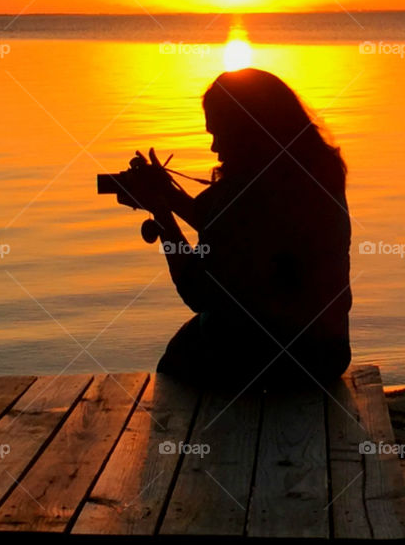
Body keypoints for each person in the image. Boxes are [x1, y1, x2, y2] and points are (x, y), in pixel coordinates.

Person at [124, 68, 352, 393]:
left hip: (276, 359)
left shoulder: (248, 193)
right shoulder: (315, 170)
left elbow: (197, 291)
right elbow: (233, 231)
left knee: (179, 357)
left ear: (245, 132)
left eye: (218, 134)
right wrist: (170, 195)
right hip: (327, 353)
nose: (214, 148)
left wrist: (161, 214)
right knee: (194, 338)